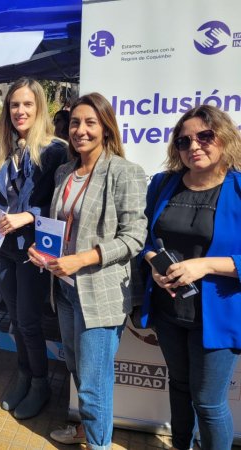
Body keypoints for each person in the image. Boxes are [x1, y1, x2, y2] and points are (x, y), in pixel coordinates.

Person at [27, 93, 147, 449]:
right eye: (76, 123)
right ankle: (86, 430)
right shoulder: (65, 171)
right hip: (65, 289)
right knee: (77, 369)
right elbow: (60, 226)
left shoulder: (125, 172)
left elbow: (135, 237)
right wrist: (42, 250)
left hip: (99, 293)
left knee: (94, 384)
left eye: (90, 123)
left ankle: (99, 444)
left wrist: (82, 259)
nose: (81, 130)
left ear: (106, 128)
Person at [140, 105, 241, 450]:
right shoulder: (163, 184)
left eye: (204, 136)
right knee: (179, 387)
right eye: (184, 141)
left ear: (223, 137)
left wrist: (207, 266)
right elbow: (144, 240)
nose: (194, 146)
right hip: (170, 310)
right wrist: (153, 263)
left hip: (217, 316)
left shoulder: (238, 188)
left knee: (209, 403)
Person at [0, 78, 68, 419]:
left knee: (28, 321)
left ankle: (39, 382)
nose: (20, 111)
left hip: (33, 250)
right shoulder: (3, 150)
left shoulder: (55, 151)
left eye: (27, 104)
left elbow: (63, 204)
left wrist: (28, 215)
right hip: (3, 249)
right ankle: (25, 375)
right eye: (14, 105)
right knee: (15, 319)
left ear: (39, 108)